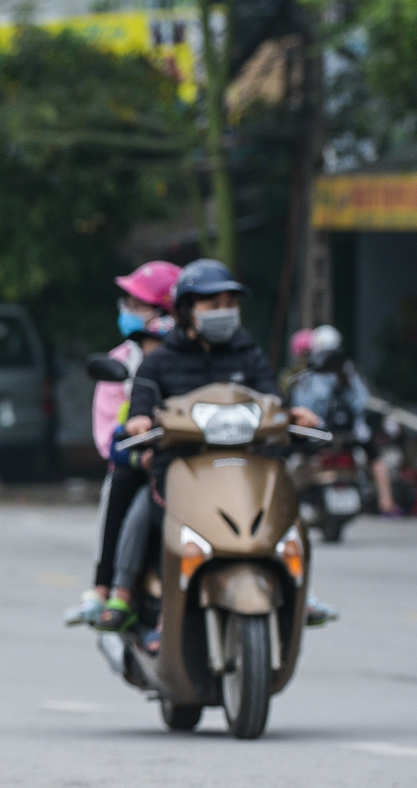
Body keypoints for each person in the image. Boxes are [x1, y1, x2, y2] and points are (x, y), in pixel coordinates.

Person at [95, 259, 321, 642]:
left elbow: (272, 399)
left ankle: (298, 590)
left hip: (245, 465)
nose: (223, 313)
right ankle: (128, 593)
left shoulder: (248, 355)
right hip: (183, 467)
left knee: (285, 510)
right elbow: (142, 405)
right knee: (146, 513)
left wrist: (293, 414)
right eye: (211, 305)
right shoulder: (159, 362)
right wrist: (141, 422)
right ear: (186, 309)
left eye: (230, 304)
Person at [66, 261, 178, 626]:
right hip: (138, 459)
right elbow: (108, 436)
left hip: (192, 458)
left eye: (137, 303)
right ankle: (109, 588)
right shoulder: (122, 364)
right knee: (127, 489)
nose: (128, 310)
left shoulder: (202, 356)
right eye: (128, 301)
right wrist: (137, 446)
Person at [286, 325, 397, 516]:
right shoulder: (350, 368)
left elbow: (304, 404)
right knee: (377, 459)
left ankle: (282, 502)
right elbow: (362, 400)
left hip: (318, 431)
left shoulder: (313, 371)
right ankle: (386, 502)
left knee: (286, 455)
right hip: (353, 432)